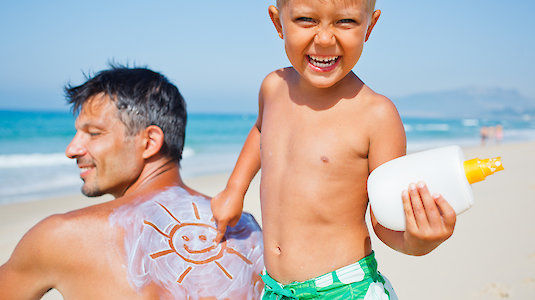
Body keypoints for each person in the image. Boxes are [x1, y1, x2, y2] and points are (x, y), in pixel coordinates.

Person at [211, 0, 457, 299]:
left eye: (345, 22)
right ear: (278, 23)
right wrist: (235, 190)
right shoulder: (273, 87)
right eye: (306, 19)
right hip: (276, 288)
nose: (325, 39)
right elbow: (261, 130)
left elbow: (385, 218)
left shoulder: (376, 115)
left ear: (370, 26)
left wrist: (417, 242)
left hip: (343, 288)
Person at [0, 66, 264, 299]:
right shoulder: (247, 232)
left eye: (93, 133)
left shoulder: (61, 236)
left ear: (149, 142)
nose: (72, 149)